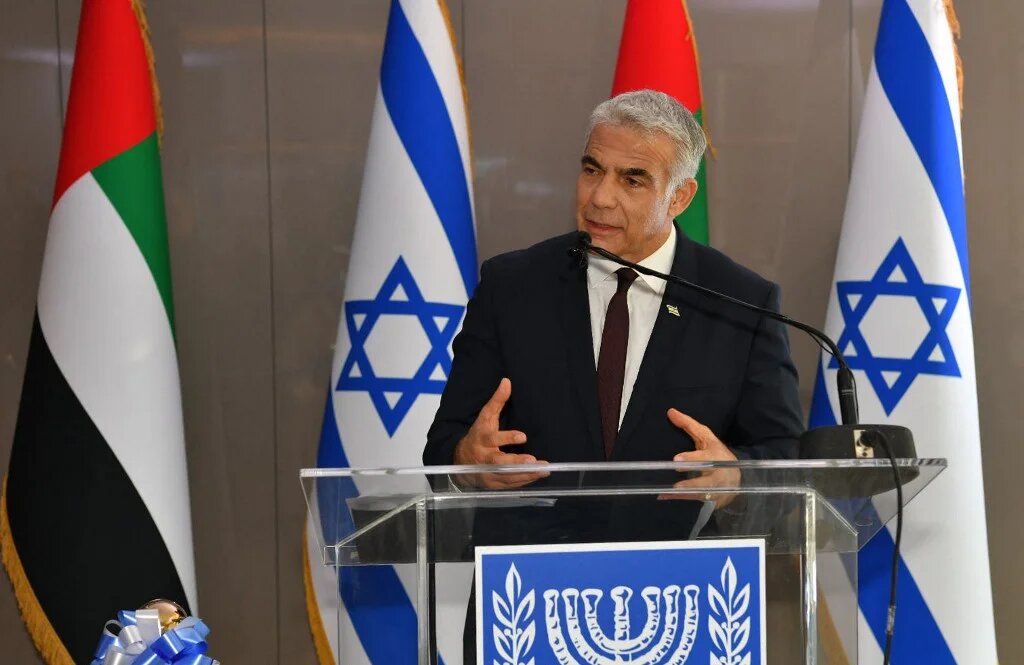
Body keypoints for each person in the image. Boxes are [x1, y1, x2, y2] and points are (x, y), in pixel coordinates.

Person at [423, 89, 803, 486]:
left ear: (680, 197)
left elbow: (783, 451)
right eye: (592, 170)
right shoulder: (511, 286)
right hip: (535, 543)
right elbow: (444, 444)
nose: (600, 198)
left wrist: (736, 478)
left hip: (683, 542)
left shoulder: (742, 302)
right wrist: (466, 460)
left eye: (632, 181)